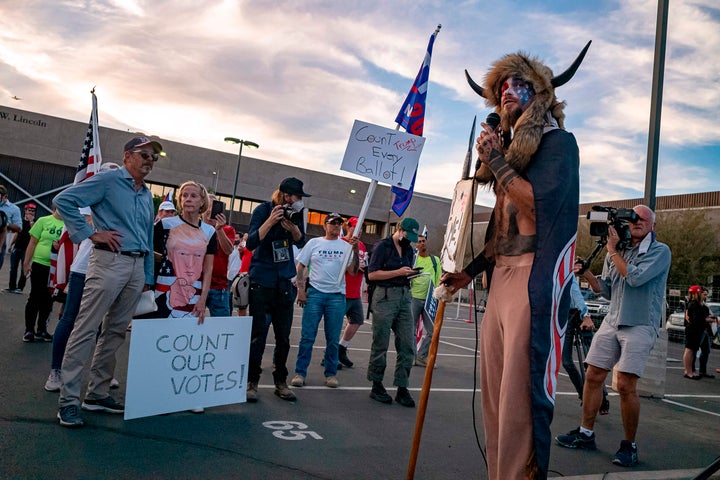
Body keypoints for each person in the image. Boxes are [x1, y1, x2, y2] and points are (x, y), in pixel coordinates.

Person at [441, 43, 589, 479]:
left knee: (519, 401)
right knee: (494, 399)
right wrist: (468, 272)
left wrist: (495, 160)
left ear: (539, 95)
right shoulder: (506, 154)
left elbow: (537, 211)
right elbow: (502, 233)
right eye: (503, 85)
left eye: (520, 84)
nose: (507, 91)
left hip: (531, 284)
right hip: (500, 282)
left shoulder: (558, 144)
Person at [53, 136, 161, 428]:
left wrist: (148, 277)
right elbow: (63, 200)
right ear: (127, 156)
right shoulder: (109, 180)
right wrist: (90, 234)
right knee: (86, 329)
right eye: (145, 154)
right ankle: (68, 401)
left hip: (137, 266)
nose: (150, 160)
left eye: (154, 156)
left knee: (114, 332)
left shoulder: (146, 194)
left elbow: (148, 239)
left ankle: (97, 394)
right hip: (109, 261)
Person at [556, 205, 671, 468]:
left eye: (643, 219)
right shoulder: (617, 253)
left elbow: (635, 278)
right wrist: (585, 272)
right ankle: (586, 433)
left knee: (625, 385)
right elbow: (605, 289)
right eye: (633, 219)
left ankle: (629, 445)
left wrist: (611, 251)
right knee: (593, 375)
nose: (638, 222)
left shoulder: (659, 251)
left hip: (640, 324)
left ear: (653, 224)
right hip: (613, 319)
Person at [245, 177, 308, 402]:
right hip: (262, 280)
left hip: (284, 282)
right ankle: (251, 381)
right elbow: (251, 243)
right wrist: (271, 221)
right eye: (296, 197)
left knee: (283, 337)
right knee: (257, 335)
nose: (298, 201)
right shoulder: (263, 210)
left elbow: (302, 242)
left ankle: (280, 382)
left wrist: (294, 230)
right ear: (284, 195)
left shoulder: (297, 215)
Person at [291, 213, 358, 388]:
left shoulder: (345, 247)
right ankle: (300, 372)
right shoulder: (314, 243)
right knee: (307, 336)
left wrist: (355, 251)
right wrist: (300, 289)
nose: (336, 226)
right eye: (332, 223)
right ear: (324, 226)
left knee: (333, 338)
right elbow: (301, 266)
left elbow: (352, 271)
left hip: (336, 296)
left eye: (339, 224)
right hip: (315, 294)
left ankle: (330, 373)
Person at [367, 217, 419, 408]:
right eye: (408, 234)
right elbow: (372, 274)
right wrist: (398, 272)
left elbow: (404, 270)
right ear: (399, 229)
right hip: (385, 295)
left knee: (407, 343)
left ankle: (402, 387)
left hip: (404, 295)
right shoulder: (383, 246)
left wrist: (411, 273)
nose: (410, 240)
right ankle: (376, 383)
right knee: (380, 341)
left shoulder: (408, 249)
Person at [154, 181, 216, 321]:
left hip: (194, 293)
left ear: (202, 201)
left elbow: (208, 269)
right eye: (184, 195)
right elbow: (148, 253)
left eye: (193, 196)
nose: (188, 199)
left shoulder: (209, 231)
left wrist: (202, 299)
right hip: (164, 289)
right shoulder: (164, 225)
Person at [563, 276, 609, 414]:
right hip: (560, 317)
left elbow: (575, 291)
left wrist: (585, 314)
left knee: (591, 361)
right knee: (566, 362)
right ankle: (584, 394)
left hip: (575, 314)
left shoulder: (565, 269)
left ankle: (603, 398)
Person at [22, 204, 65, 342]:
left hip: (57, 267)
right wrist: (27, 262)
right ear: (54, 208)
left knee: (48, 298)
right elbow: (33, 242)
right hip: (40, 264)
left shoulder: (68, 225)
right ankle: (29, 329)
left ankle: (42, 329)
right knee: (35, 295)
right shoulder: (43, 221)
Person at [337, 216, 367, 368]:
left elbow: (363, 261)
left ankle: (341, 348)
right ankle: (330, 356)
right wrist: (354, 266)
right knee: (335, 325)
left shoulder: (361, 245)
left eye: (362, 227)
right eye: (356, 226)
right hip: (343, 291)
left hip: (356, 292)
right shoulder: (341, 243)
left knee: (357, 320)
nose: (360, 230)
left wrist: (363, 266)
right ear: (348, 227)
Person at [409, 233, 441, 367]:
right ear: (415, 245)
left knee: (433, 331)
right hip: (414, 298)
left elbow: (439, 278)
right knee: (410, 329)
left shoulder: (435, 260)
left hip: (430, 300)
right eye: (419, 242)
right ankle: (411, 356)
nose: (422, 243)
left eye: (424, 241)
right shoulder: (413, 260)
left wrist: (438, 296)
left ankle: (422, 356)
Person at [200, 194, 234, 317]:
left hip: (219, 286)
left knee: (222, 325)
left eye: (213, 207)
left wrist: (219, 229)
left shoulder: (227, 229)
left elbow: (228, 250)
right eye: (207, 206)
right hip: (197, 284)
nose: (210, 211)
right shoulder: (195, 227)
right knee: (192, 323)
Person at [6, 202, 36, 293]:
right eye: (29, 210)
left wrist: (31, 221)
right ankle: (12, 287)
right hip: (17, 246)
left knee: (24, 267)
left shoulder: (36, 222)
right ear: (25, 210)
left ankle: (20, 287)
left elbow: (34, 233)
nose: (31, 212)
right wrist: (11, 244)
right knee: (13, 267)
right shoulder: (20, 220)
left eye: (33, 211)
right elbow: (16, 233)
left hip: (27, 248)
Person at [682, 285, 708, 379]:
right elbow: (696, 319)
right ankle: (688, 371)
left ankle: (690, 370)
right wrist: (706, 320)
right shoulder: (694, 304)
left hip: (695, 330)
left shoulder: (694, 304)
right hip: (693, 329)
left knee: (692, 350)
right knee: (689, 350)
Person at [0, 184, 22, 269]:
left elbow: (19, 228)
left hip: (1, 239)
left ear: (6, 196)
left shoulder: (14, 209)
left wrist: (4, 224)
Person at [696, 287, 716, 378]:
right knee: (694, 349)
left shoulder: (704, 305)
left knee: (706, 351)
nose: (705, 296)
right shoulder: (696, 305)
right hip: (700, 330)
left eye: (706, 294)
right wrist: (708, 319)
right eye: (704, 294)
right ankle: (691, 370)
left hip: (706, 330)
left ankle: (702, 371)